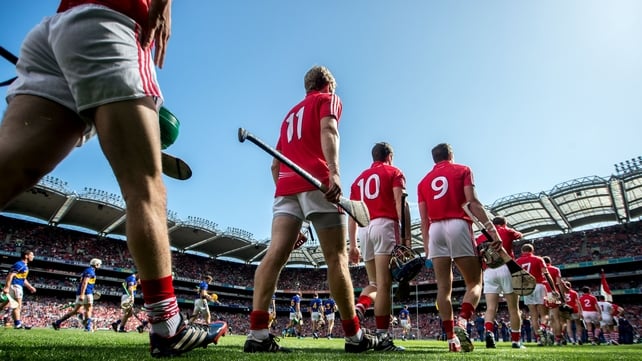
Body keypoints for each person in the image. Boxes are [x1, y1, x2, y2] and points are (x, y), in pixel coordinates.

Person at [0, 0, 226, 357]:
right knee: (146, 187)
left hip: (56, 29)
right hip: (114, 19)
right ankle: (168, 326)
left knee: (8, 169)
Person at [244, 66, 379, 354]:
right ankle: (354, 337)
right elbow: (329, 129)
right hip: (318, 182)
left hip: (285, 187)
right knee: (336, 259)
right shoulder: (327, 100)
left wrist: (290, 201)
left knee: (275, 255)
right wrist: (335, 174)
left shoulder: (289, 116)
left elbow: (275, 165)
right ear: (328, 85)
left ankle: (257, 334)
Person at [417, 143, 502, 353]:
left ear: (434, 159)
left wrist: (428, 248)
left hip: (435, 229)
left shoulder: (423, 182)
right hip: (458, 225)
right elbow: (472, 202)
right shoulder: (463, 170)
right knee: (474, 282)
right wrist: (492, 231)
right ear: (451, 155)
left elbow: (423, 220)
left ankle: (451, 339)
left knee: (443, 288)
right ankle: (462, 321)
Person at [348, 141, 408, 351]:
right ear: (389, 156)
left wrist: (353, 244)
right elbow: (400, 203)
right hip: (385, 224)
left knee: (374, 282)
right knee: (384, 285)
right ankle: (382, 338)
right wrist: (405, 239)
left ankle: (360, 306)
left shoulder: (357, 181)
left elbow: (352, 215)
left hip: (364, 229)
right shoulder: (394, 172)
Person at [475, 216, 525, 349]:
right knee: (514, 308)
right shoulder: (506, 230)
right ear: (504, 223)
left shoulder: (479, 237)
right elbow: (520, 235)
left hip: (489, 271)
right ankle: (516, 341)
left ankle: (489, 333)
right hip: (506, 267)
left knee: (491, 307)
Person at [515, 243, 557, 346]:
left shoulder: (517, 261)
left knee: (533, 315)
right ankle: (544, 328)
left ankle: (539, 338)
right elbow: (546, 274)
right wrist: (553, 289)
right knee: (544, 314)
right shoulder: (538, 259)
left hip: (527, 288)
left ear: (522, 251)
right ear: (532, 250)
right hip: (539, 285)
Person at [52, 258, 102, 331]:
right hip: (86, 293)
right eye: (99, 264)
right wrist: (82, 294)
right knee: (89, 309)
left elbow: (85, 283)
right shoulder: (90, 271)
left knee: (75, 311)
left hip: (83, 292)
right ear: (96, 264)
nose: (100, 266)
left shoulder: (88, 270)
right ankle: (88, 328)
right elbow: (84, 282)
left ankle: (58, 322)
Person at [0, 250, 36, 329]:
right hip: (16, 286)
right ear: (26, 256)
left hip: (16, 286)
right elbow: (10, 275)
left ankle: (17, 324)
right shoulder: (20, 264)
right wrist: (6, 287)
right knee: (17, 306)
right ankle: (18, 324)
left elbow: (23, 279)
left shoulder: (24, 266)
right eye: (32, 255)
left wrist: (30, 287)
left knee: (3, 305)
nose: (33, 256)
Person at [543, 256, 565, 345]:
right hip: (552, 293)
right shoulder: (555, 269)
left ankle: (547, 334)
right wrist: (562, 296)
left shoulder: (539, 269)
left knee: (545, 317)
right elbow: (559, 283)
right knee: (556, 317)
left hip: (542, 292)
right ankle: (557, 338)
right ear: (550, 261)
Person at [560, 281, 584, 345]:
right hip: (574, 309)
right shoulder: (574, 293)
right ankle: (579, 338)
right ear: (570, 286)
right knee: (578, 325)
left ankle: (572, 340)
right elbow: (578, 303)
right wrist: (580, 311)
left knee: (568, 326)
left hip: (566, 310)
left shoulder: (562, 293)